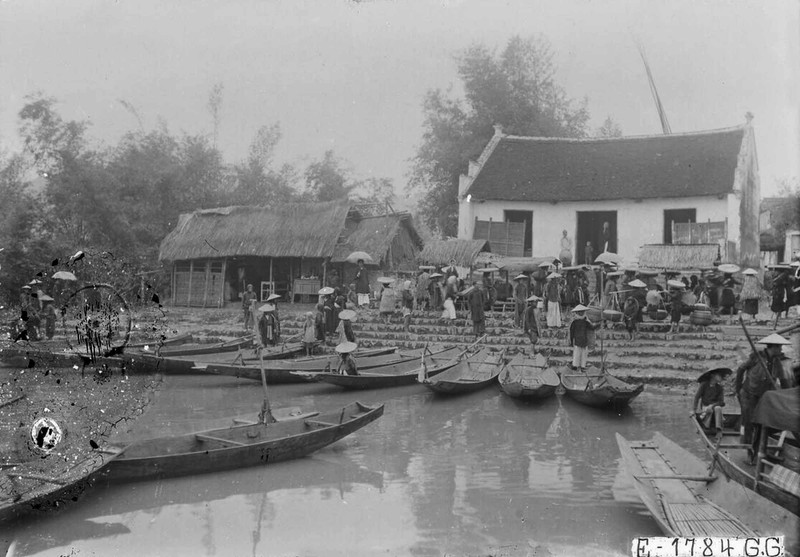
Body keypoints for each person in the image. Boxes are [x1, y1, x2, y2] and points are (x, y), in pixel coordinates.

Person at [734, 333, 794, 462]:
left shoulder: (778, 362)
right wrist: (738, 390)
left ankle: (758, 451)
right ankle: (750, 453)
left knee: (763, 423)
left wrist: (787, 397)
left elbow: (784, 382)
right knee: (750, 422)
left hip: (764, 397)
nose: (781, 350)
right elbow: (740, 370)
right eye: (779, 347)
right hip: (748, 395)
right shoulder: (756, 357)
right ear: (773, 347)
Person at [692, 367, 730, 432]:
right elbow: (697, 397)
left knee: (718, 408)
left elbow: (721, 402)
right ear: (713, 375)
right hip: (705, 408)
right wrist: (694, 410)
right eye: (719, 375)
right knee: (710, 410)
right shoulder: (704, 385)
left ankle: (718, 428)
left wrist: (712, 406)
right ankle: (706, 425)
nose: (721, 377)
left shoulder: (719, 388)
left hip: (714, 407)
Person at [569, 304, 597, 372]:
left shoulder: (577, 322)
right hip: (582, 340)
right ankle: (581, 366)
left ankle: (577, 366)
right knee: (581, 353)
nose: (581, 313)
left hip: (580, 340)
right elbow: (592, 327)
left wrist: (571, 340)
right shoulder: (583, 322)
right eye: (580, 312)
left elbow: (571, 332)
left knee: (578, 353)